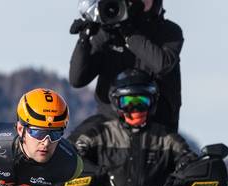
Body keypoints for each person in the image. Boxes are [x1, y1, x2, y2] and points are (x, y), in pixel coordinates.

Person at [68, 68, 196, 186]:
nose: (135, 107)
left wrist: (188, 167)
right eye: (128, 101)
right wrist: (85, 166)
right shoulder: (99, 135)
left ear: (152, 102)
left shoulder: (168, 139)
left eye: (142, 101)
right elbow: (73, 156)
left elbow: (189, 159)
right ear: (116, 103)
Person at [70, 0, 183, 132]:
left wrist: (129, 33)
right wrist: (84, 40)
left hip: (157, 131)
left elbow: (162, 65)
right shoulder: (107, 33)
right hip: (111, 131)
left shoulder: (169, 32)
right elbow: (77, 80)